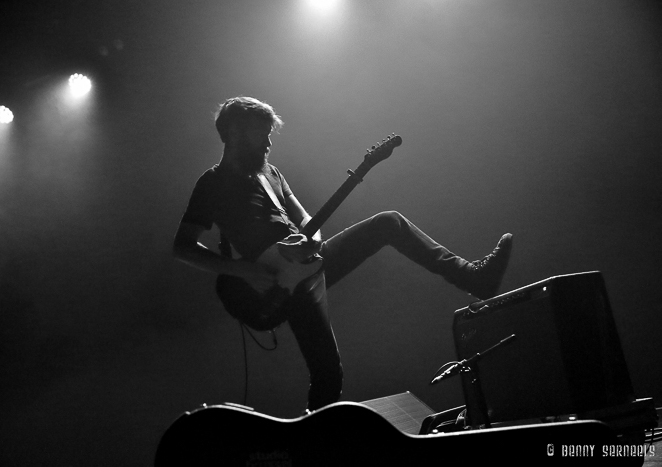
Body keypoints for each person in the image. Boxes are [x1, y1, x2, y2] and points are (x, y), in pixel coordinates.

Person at [173, 96, 513, 412]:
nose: (268, 144)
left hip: (308, 267)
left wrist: (313, 241)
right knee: (329, 376)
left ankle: (474, 278)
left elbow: (308, 221)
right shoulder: (212, 184)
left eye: (269, 136)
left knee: (388, 223)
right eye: (261, 136)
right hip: (272, 286)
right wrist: (246, 271)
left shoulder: (272, 174)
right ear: (233, 133)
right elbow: (183, 247)